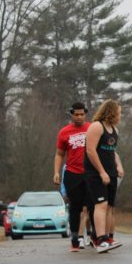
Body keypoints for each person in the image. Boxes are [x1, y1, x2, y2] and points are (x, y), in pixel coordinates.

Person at [84, 99, 125, 253]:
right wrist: (102, 171)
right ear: (111, 112)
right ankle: (100, 240)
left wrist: (118, 166)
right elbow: (90, 151)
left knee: (109, 207)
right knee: (100, 205)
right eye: (119, 112)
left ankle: (106, 238)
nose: (120, 115)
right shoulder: (96, 126)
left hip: (111, 173)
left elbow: (112, 151)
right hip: (96, 173)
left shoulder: (115, 129)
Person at [53, 102, 92, 252]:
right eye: (76, 114)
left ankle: (94, 236)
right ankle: (75, 240)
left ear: (85, 114)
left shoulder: (91, 128)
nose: (79, 117)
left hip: (90, 173)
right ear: (72, 115)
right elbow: (59, 154)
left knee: (92, 206)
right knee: (75, 208)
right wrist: (57, 172)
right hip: (72, 174)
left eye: (82, 114)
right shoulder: (64, 132)